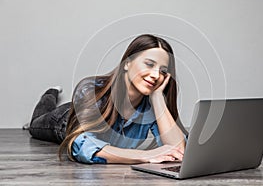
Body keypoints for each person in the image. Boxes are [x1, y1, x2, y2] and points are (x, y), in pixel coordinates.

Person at [27, 34, 188, 164]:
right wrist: (143, 156)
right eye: (149, 64)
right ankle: (50, 93)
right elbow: (81, 144)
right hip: (64, 119)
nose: (156, 75)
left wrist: (158, 97)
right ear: (127, 63)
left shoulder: (152, 107)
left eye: (163, 70)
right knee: (35, 124)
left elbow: (178, 150)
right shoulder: (89, 89)